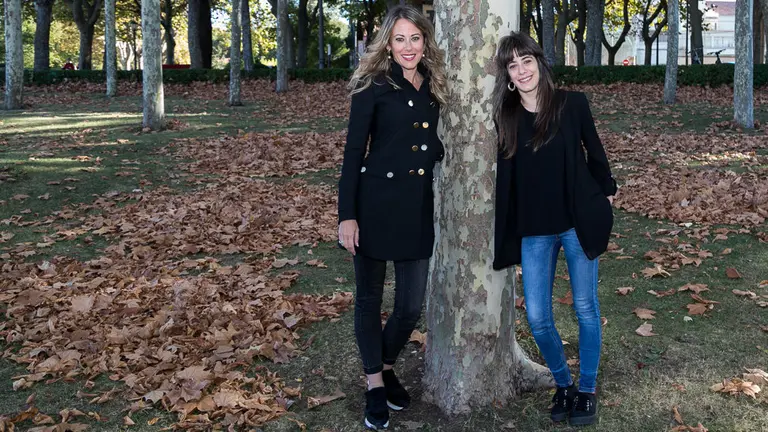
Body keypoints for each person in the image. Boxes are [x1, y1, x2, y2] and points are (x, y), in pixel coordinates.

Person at [491, 32, 617, 427]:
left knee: (585, 308)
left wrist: (606, 195)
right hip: (535, 230)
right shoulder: (507, 116)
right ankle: (563, 383)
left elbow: (595, 154)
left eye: (526, 60)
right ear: (508, 77)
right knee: (539, 318)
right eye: (512, 65)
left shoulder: (572, 104)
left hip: (576, 224)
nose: (521, 70)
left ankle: (588, 388)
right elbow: (507, 178)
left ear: (540, 63)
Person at [337, 5, 447, 430]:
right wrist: (348, 215)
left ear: (425, 42)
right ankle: (375, 387)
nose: (407, 47)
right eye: (399, 38)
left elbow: (426, 140)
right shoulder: (372, 85)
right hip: (375, 205)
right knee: (368, 300)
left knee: (409, 306)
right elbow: (352, 154)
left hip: (416, 207)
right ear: (387, 42)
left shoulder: (433, 84)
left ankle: (382, 365)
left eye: (414, 38)